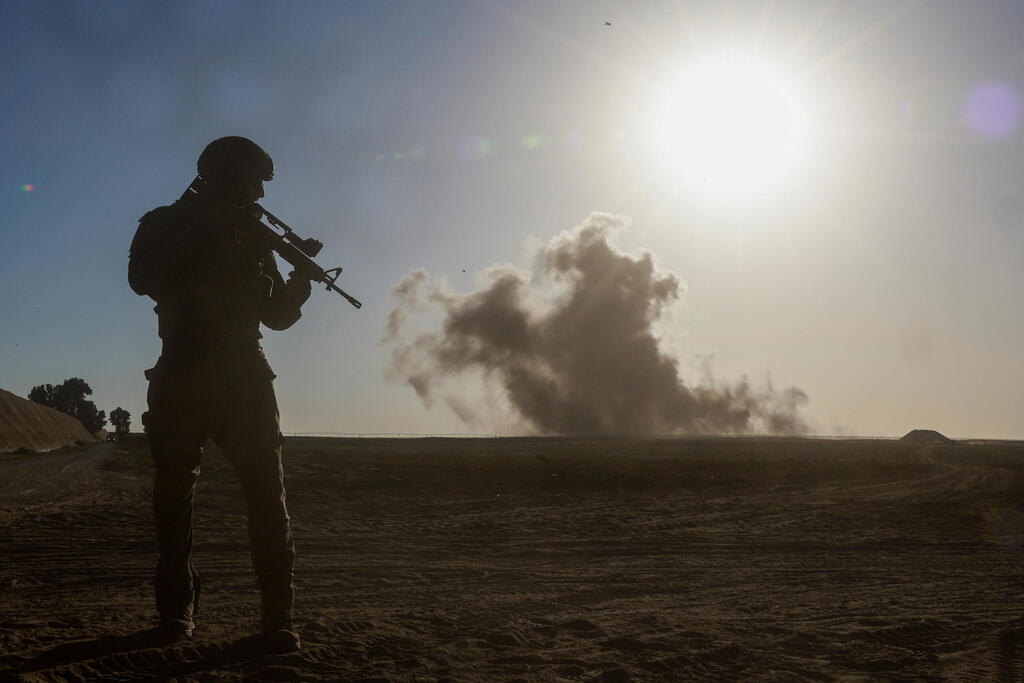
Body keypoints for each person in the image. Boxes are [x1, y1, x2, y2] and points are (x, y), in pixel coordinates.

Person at [128, 137, 311, 654]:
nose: (259, 192)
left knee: (267, 502)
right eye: (254, 180)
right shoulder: (164, 222)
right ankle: (176, 613)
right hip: (183, 370)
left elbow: (274, 317)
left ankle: (277, 619)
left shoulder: (251, 236)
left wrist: (298, 287)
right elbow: (142, 278)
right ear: (228, 176)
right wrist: (205, 232)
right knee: (173, 500)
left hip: (244, 377)